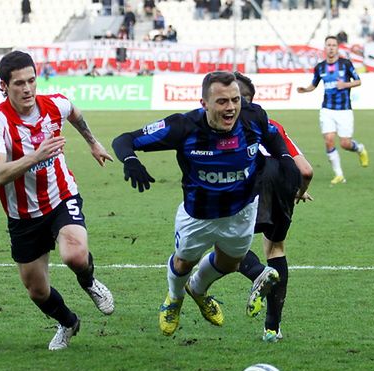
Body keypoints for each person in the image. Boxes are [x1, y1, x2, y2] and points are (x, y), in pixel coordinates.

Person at [112, 71, 293, 337]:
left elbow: (272, 135)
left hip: (241, 212)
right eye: (221, 102)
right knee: (183, 263)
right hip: (198, 215)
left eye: (234, 100)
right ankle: (174, 298)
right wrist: (130, 160)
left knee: (230, 263)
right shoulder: (183, 127)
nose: (230, 107)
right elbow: (124, 139)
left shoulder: (253, 117)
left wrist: (285, 157)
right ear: (204, 103)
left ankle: (197, 290)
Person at [0, 51, 115, 351]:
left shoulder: (54, 103)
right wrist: (36, 156)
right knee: (37, 290)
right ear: (4, 86)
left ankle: (89, 281)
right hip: (22, 215)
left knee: (75, 256)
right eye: (19, 84)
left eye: (31, 81)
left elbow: (76, 115)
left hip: (60, 196)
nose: (27, 89)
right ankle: (68, 322)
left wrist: (93, 143)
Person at [234, 72, 313, 343]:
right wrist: (299, 194)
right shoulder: (274, 125)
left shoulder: (226, 125)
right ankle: (272, 328)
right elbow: (306, 170)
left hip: (253, 181)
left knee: (226, 246)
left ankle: (258, 273)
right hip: (285, 182)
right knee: (276, 248)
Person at [297, 35, 368, 185]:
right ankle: (339, 175)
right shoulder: (320, 67)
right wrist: (305, 90)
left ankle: (360, 149)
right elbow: (314, 84)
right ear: (325, 47)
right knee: (329, 140)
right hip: (327, 109)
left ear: (337, 48)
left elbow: (358, 81)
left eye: (333, 45)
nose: (331, 47)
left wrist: (345, 85)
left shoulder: (345, 64)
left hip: (344, 109)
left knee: (345, 144)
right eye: (328, 45)